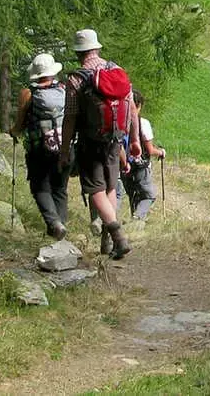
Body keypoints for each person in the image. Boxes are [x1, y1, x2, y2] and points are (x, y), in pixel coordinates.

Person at [59, 29, 140, 259]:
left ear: (78, 52)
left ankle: (118, 236)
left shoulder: (76, 78)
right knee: (111, 187)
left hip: (90, 142)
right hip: (115, 140)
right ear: (97, 48)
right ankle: (107, 241)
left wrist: (64, 150)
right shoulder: (116, 71)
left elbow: (70, 118)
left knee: (95, 190)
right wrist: (134, 140)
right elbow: (131, 108)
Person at [11, 53, 70, 239]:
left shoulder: (28, 93)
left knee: (40, 187)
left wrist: (14, 132)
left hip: (40, 149)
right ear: (53, 72)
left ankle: (54, 224)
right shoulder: (64, 90)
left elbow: (20, 124)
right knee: (60, 188)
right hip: (66, 148)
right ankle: (60, 228)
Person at [120, 90, 165, 221]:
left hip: (123, 163)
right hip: (140, 165)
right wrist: (161, 152)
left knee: (133, 195)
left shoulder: (119, 120)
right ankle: (137, 217)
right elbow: (150, 150)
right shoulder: (143, 123)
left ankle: (136, 224)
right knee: (149, 195)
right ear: (138, 105)